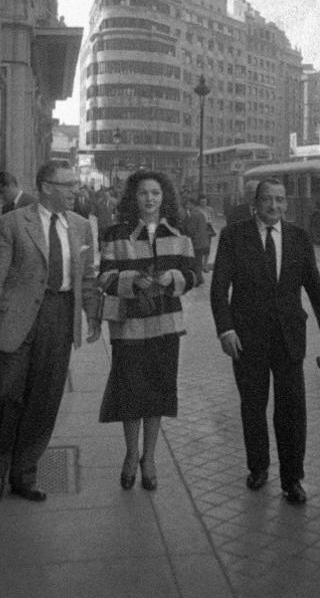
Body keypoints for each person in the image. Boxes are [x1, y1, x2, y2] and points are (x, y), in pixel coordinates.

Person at [0, 160, 100, 506]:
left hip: (59, 319)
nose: (76, 190)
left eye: (75, 184)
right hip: (15, 321)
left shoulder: (80, 227)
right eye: (69, 184)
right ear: (46, 187)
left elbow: (86, 277)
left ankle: (23, 474)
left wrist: (93, 314)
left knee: (44, 400)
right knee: (5, 396)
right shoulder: (12, 224)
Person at [210, 177, 320, 504]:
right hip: (246, 338)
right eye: (268, 199)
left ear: (286, 204)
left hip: (288, 338)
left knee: (292, 410)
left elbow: (314, 285)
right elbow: (218, 288)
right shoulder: (233, 236)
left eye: (280, 200)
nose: (274, 206)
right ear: (256, 202)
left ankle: (293, 478)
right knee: (253, 405)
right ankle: (258, 467)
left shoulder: (298, 238)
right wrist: (226, 330)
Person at [98, 171, 197, 492]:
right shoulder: (117, 234)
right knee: (130, 394)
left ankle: (149, 458)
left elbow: (195, 275)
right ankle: (130, 454)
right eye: (143, 193)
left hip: (165, 328)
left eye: (156, 193)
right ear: (134, 198)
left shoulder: (179, 234)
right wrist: (131, 282)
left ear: (164, 197)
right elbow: (105, 279)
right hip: (129, 328)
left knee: (157, 394)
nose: (150, 199)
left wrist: (174, 277)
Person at [181, 196, 210, 284]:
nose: (187, 205)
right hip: (202, 241)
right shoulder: (200, 212)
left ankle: (198, 279)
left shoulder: (194, 214)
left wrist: (184, 227)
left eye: (188, 204)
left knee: (196, 261)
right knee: (199, 261)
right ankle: (199, 278)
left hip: (196, 242)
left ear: (192, 204)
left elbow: (191, 229)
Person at [197, 194, 216, 271]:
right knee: (200, 248)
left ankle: (205, 265)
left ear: (207, 201)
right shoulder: (197, 209)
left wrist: (209, 221)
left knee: (207, 248)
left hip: (208, 231)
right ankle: (199, 265)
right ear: (199, 202)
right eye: (202, 202)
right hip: (199, 231)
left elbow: (213, 218)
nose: (203, 203)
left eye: (205, 201)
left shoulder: (210, 209)